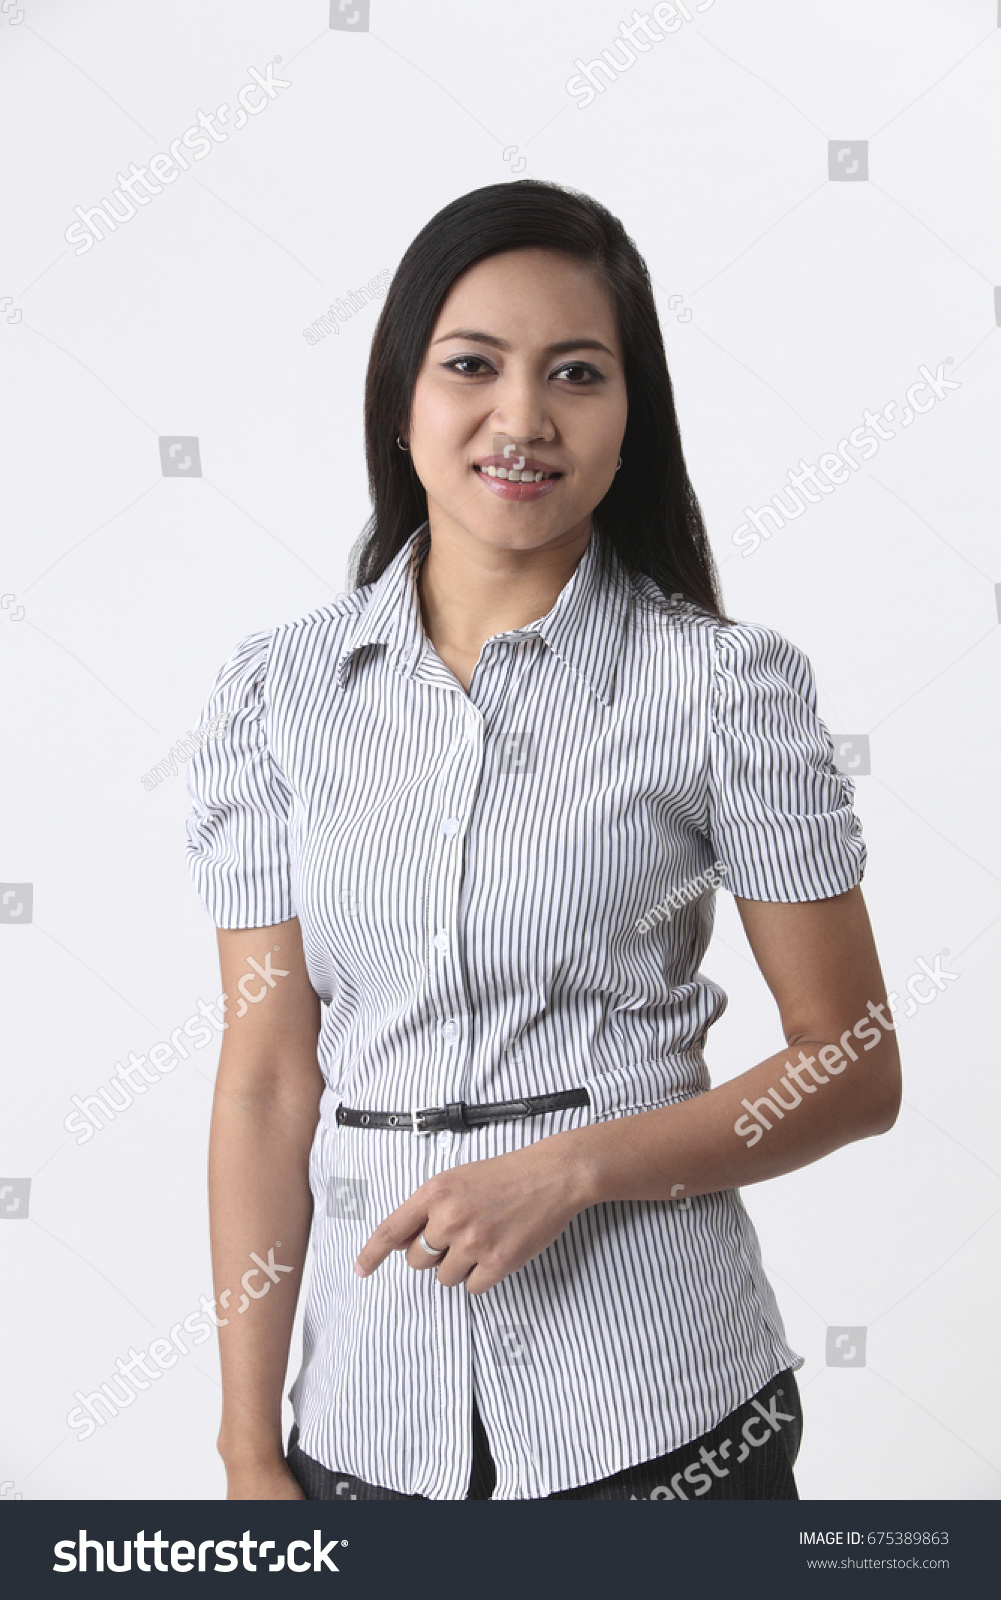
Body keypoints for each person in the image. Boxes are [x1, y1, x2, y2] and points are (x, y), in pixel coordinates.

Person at [184, 180, 901, 1502]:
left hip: (657, 1416)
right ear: (402, 396)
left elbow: (850, 1065)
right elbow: (268, 1085)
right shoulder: (272, 696)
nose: (521, 418)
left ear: (630, 419)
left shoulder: (719, 688)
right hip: (356, 1430)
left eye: (575, 374)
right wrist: (244, 1446)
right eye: (472, 367)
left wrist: (575, 1168)